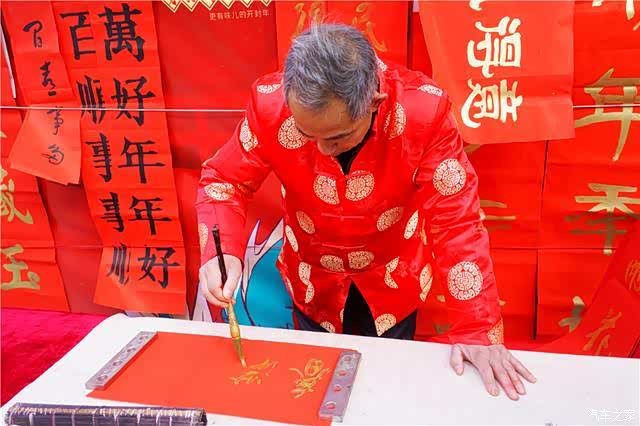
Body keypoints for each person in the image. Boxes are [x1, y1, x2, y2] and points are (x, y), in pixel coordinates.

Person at [196, 23, 536, 400]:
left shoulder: (422, 112)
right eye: (307, 135)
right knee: (314, 389)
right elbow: (223, 180)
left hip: (393, 281)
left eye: (337, 137)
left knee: (386, 393)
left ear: (374, 102)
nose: (322, 150)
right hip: (313, 281)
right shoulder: (271, 105)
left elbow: (456, 220)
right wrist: (222, 252)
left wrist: (477, 328)